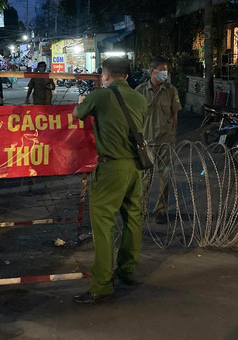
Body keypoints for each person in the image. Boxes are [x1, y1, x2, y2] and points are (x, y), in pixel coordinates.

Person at [72, 57, 147, 305]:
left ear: (105, 74)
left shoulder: (100, 96)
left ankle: (102, 284)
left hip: (111, 167)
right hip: (135, 167)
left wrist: (82, 102)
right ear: (126, 75)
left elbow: (78, 114)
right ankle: (126, 270)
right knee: (133, 217)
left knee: (103, 224)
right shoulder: (139, 98)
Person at [135, 57, 181, 224]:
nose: (165, 72)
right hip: (146, 142)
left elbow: (175, 113)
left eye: (166, 69)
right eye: (161, 69)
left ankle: (161, 209)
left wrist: (172, 133)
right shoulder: (140, 91)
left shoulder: (170, 90)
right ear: (152, 71)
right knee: (144, 179)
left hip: (165, 140)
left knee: (165, 177)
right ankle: (141, 209)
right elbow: (134, 117)